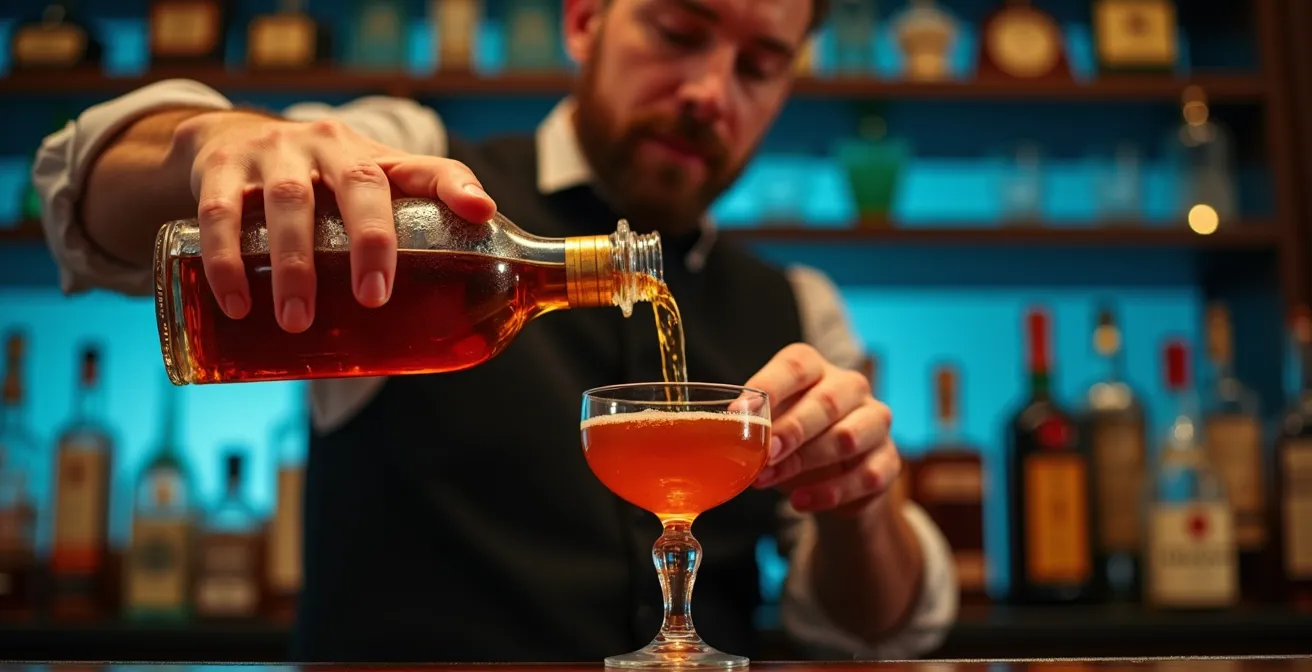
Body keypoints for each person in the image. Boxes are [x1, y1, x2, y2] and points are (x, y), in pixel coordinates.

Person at [31, 0, 958, 663]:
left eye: (759, 65)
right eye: (678, 31)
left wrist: (864, 503)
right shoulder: (421, 180)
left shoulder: (800, 306)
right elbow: (78, 188)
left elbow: (874, 629)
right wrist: (207, 143)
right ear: (586, 19)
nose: (711, 91)